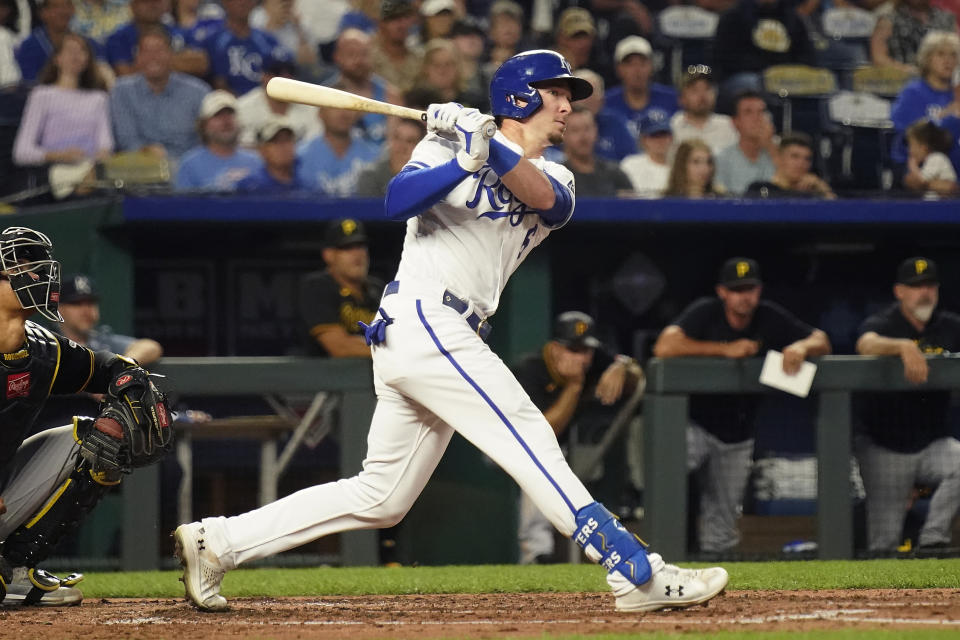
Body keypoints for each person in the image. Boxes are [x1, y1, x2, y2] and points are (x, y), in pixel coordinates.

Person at [174, 49, 729, 614]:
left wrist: (485, 145)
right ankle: (632, 570)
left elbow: (543, 199)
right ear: (522, 96)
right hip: (421, 320)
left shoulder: (558, 175)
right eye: (557, 92)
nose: (567, 105)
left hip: (443, 331)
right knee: (527, 430)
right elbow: (397, 202)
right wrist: (464, 156)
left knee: (381, 496)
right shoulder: (442, 143)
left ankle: (217, 542)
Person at [0, 226, 171, 606]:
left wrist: (130, 378)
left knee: (98, 439)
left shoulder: (44, 350)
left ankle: (11, 567)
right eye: (22, 267)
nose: (39, 274)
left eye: (38, 264)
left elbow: (108, 367)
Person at [652, 257, 831, 553]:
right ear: (723, 292)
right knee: (667, 481)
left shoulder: (768, 316)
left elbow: (821, 340)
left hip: (738, 435)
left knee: (722, 521)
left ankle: (716, 576)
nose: (744, 296)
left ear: (759, 291)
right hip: (694, 425)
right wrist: (723, 350)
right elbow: (665, 346)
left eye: (750, 289)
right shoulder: (706, 312)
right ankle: (662, 553)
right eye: (737, 290)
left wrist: (800, 346)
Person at [513, 311, 643, 564]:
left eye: (586, 350)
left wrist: (622, 366)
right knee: (539, 463)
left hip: (560, 447)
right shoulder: (529, 370)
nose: (582, 358)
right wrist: (574, 386)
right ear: (555, 348)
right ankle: (536, 555)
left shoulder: (594, 360)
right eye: (574, 350)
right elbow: (542, 432)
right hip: (510, 444)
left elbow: (636, 373)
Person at [854, 257, 960, 552]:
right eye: (915, 287)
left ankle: (933, 541)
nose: (924, 293)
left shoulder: (948, 325)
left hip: (931, 444)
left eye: (929, 286)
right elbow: (865, 344)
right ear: (900, 291)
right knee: (884, 542)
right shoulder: (886, 322)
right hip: (885, 446)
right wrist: (903, 346)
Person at [110, 27, 211, 162]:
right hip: (139, 168)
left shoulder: (199, 91)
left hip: (188, 168)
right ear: (137, 57)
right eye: (146, 52)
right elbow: (127, 140)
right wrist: (149, 154)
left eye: (159, 51)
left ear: (171, 54)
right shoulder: (122, 91)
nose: (153, 57)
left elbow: (207, 140)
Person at [13, 33, 113, 168]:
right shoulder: (41, 95)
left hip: (90, 170)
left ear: (88, 59)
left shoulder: (98, 98)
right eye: (70, 51)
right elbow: (22, 151)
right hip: (52, 170)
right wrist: (59, 155)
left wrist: (96, 161)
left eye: (81, 51)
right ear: (57, 58)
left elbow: (105, 145)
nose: (76, 56)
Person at [298, 218, 384, 358]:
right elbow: (340, 347)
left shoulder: (379, 289)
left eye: (360, 246)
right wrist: (393, 353)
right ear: (328, 255)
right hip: (326, 377)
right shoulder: (318, 287)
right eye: (347, 247)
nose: (357, 254)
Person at [712, 0, 814, 109]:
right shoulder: (733, 17)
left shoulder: (793, 19)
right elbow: (725, 58)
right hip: (743, 76)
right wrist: (766, 71)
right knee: (754, 83)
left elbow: (807, 56)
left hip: (785, 77)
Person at [890, 30, 960, 173]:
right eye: (940, 54)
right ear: (927, 59)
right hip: (920, 166)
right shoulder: (913, 93)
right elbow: (906, 135)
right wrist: (944, 116)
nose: (948, 61)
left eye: (953, 55)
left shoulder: (957, 94)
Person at [57, 273, 163, 366]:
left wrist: (121, 366)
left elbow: (151, 347)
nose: (86, 310)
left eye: (91, 303)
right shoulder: (47, 342)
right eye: (76, 304)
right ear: (59, 308)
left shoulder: (102, 343)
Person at [195, 0, 287, 96]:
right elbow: (217, 83)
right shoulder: (211, 41)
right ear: (225, 2)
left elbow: (285, 72)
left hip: (262, 103)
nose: (242, 2)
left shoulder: (267, 40)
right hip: (226, 105)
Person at [175, 89, 262, 190]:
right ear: (203, 125)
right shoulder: (189, 165)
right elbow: (184, 204)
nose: (226, 121)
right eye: (218, 115)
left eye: (230, 114)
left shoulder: (257, 162)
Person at [326, 27, 400, 145]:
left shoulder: (391, 97)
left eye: (364, 54)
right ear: (337, 57)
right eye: (351, 54)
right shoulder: (324, 96)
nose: (359, 60)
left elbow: (394, 145)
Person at [104, 0, 208, 78]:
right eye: (146, 1)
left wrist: (152, 64)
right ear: (133, 5)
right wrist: (178, 60)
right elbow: (126, 75)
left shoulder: (178, 32)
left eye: (157, 1)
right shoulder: (119, 37)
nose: (153, 5)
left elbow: (200, 64)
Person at [237, 54, 321, 148]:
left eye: (290, 73)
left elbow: (315, 144)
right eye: (277, 73)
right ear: (263, 76)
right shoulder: (243, 107)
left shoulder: (310, 107)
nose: (285, 79)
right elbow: (241, 146)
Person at [296, 102, 380, 196]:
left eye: (348, 108)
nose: (343, 114)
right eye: (335, 107)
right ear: (320, 113)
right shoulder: (299, 156)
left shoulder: (374, 156)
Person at [605, 36, 679, 143]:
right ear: (618, 69)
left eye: (642, 63)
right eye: (629, 64)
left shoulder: (672, 99)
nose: (637, 70)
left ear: (652, 66)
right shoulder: (607, 103)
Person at [562, 105, 634, 196]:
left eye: (587, 129)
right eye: (575, 130)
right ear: (563, 135)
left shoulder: (615, 173)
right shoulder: (559, 176)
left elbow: (632, 206)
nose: (583, 137)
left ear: (596, 131)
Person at [714, 90, 777, 195]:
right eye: (748, 112)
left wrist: (770, 146)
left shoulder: (779, 152)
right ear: (735, 122)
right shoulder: (721, 160)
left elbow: (789, 188)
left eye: (761, 112)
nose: (757, 118)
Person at [871, 0, 957, 73]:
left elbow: (956, 50)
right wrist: (908, 71)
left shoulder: (946, 18)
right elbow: (879, 58)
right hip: (901, 80)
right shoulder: (888, 20)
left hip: (943, 78)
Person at [670, 66, 738, 158]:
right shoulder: (672, 128)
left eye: (707, 88)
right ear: (681, 99)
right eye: (694, 90)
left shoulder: (729, 126)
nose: (702, 95)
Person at [744, 132, 836, 198]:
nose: (801, 163)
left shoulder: (814, 193)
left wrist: (822, 188)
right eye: (794, 156)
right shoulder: (759, 190)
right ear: (779, 158)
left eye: (807, 159)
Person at [572, 68, 636, 162]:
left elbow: (632, 160)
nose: (588, 99)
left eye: (593, 93)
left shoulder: (616, 123)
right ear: (570, 98)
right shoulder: (558, 125)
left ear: (601, 99)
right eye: (583, 93)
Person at [354, 117, 426, 197]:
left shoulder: (427, 179)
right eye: (397, 138)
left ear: (422, 147)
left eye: (410, 141)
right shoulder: (370, 177)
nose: (401, 147)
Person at [236, 118, 308, 192]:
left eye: (288, 140)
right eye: (277, 141)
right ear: (262, 150)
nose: (284, 147)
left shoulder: (306, 185)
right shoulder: (249, 188)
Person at [371, 0, 423, 94]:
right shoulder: (369, 59)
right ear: (381, 24)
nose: (401, 25)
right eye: (394, 18)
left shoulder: (420, 58)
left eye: (405, 18)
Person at [619, 114, 673, 197]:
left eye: (664, 135)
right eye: (654, 136)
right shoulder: (630, 165)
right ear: (643, 139)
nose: (660, 141)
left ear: (671, 138)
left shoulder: (680, 166)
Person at [903, 119, 959, 196]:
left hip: (945, 205)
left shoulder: (936, 158)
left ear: (923, 147)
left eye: (911, 145)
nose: (909, 151)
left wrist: (913, 167)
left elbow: (922, 181)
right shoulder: (926, 162)